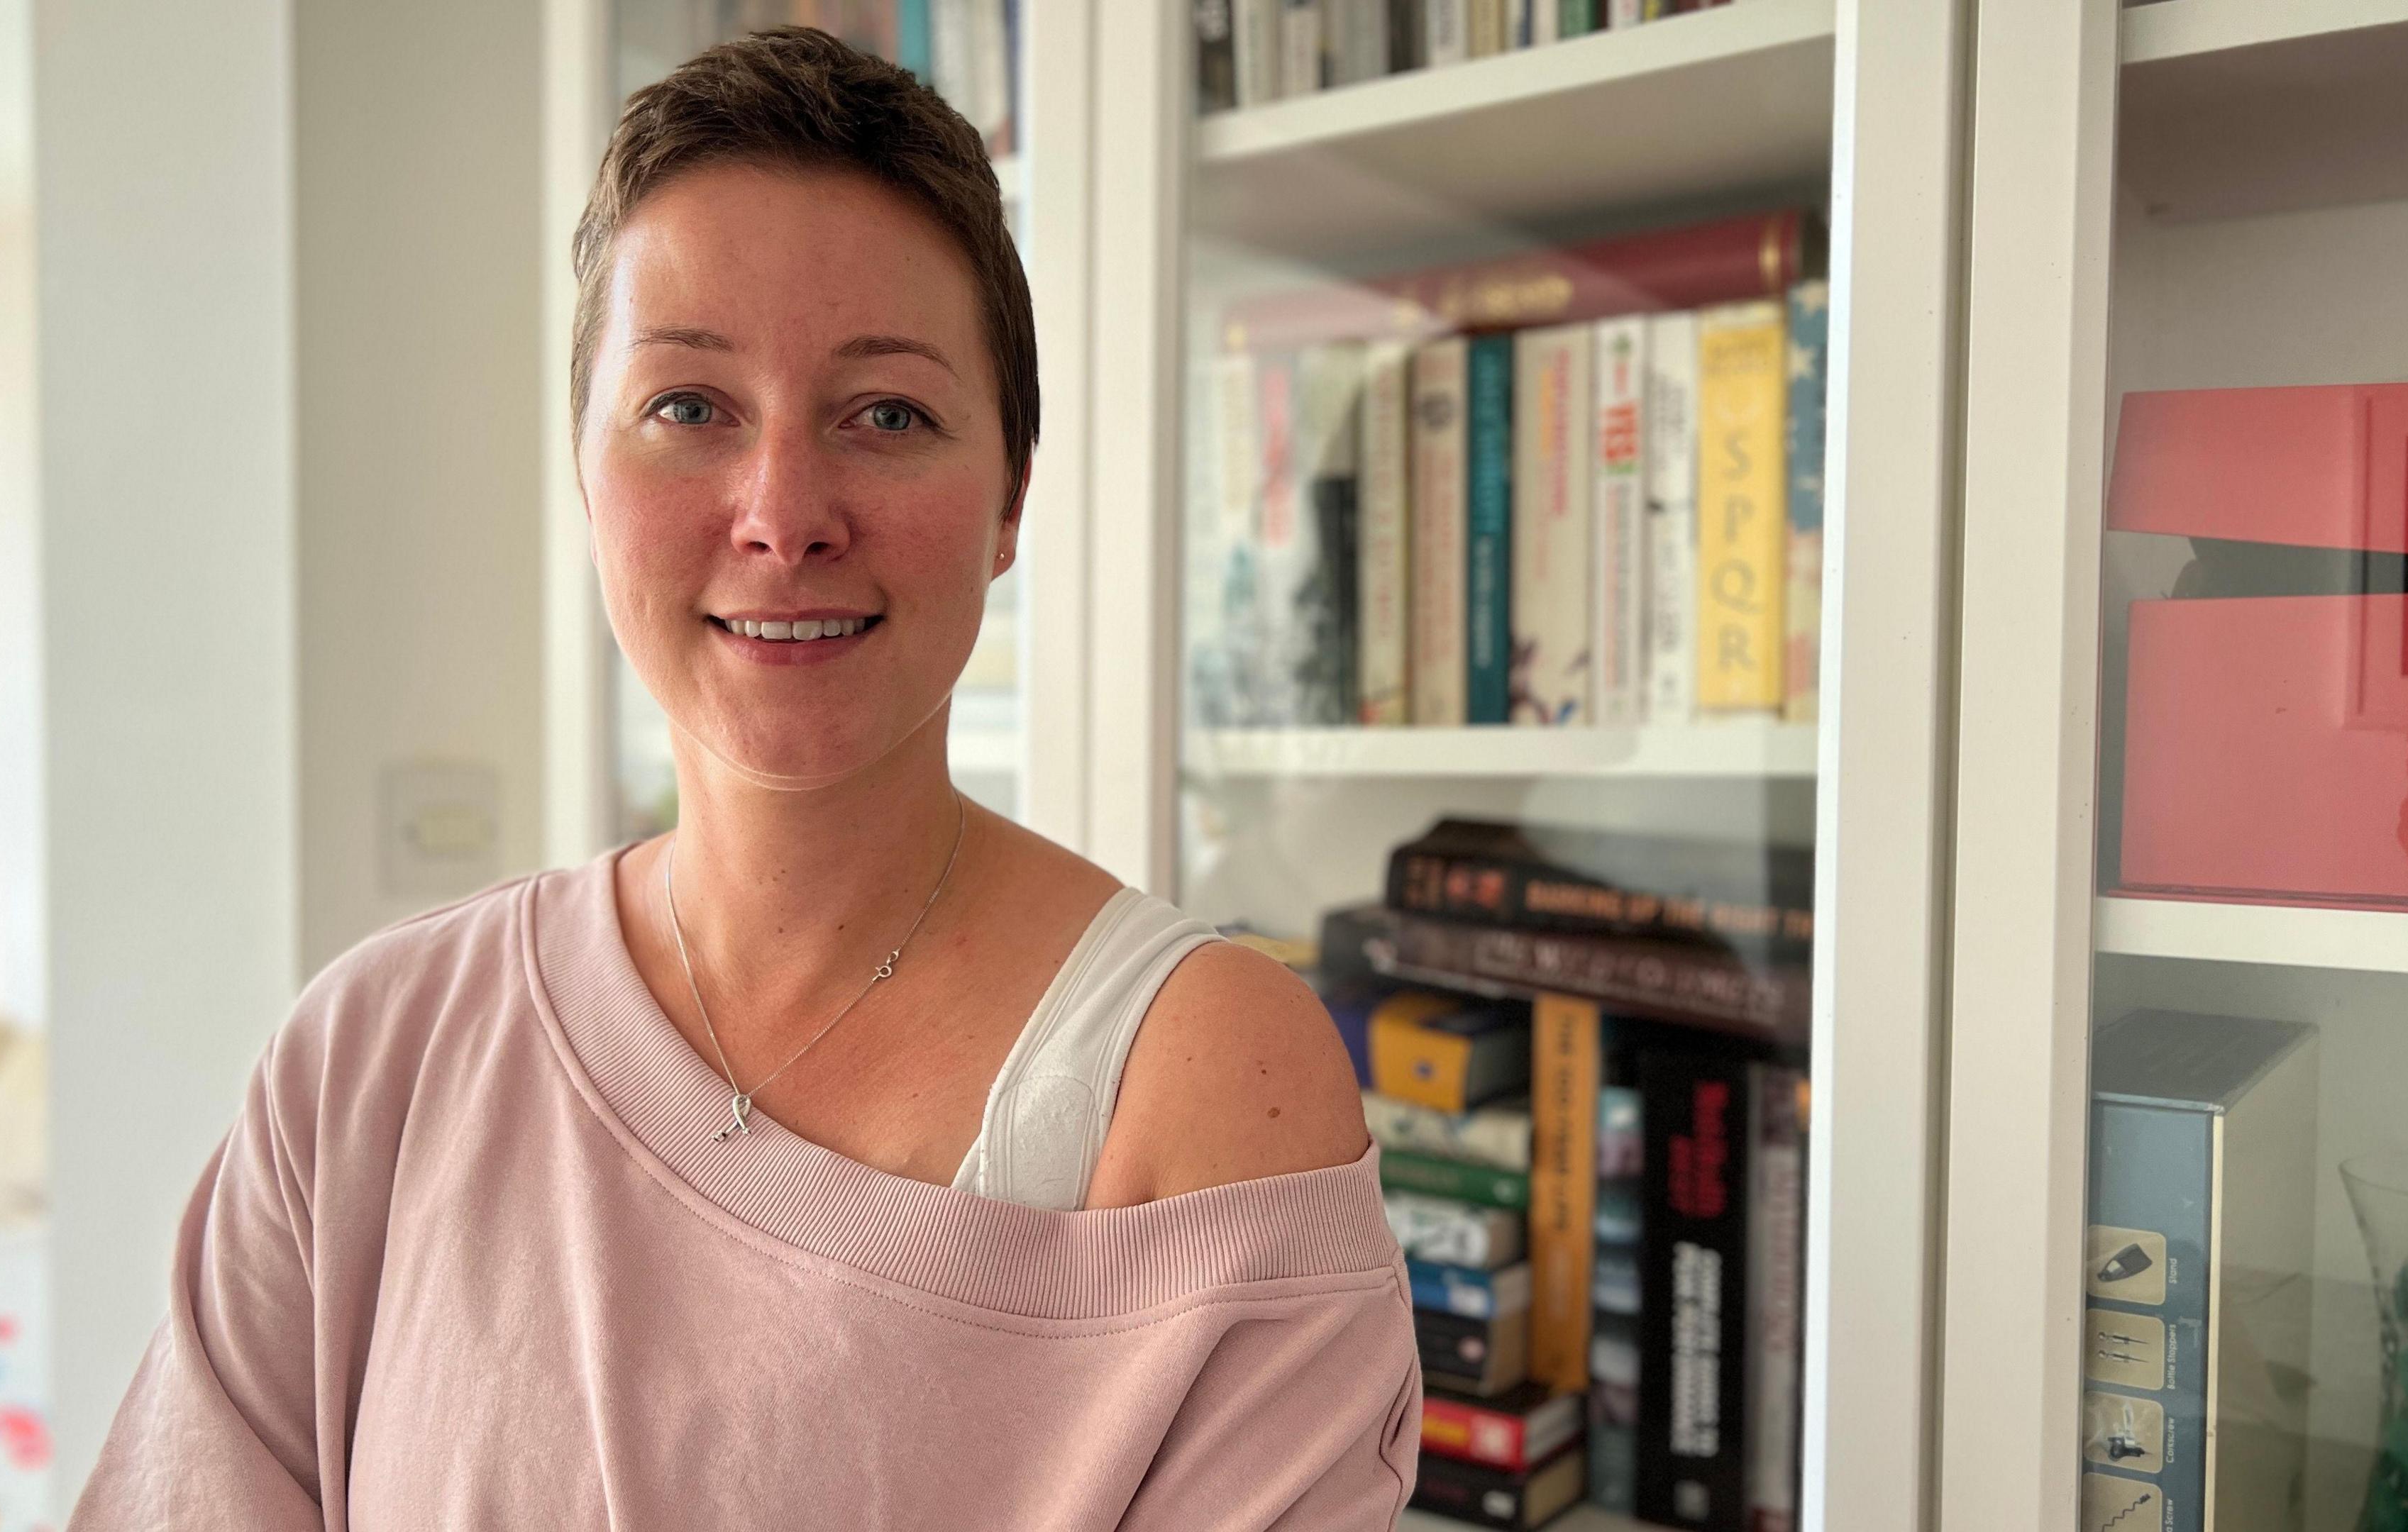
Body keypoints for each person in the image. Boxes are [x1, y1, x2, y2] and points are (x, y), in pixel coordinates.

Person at [69, 26, 1420, 1529]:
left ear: (1012, 501)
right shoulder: (371, 1062)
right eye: (688, 409)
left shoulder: (1202, 1091)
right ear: (587, 471)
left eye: (888, 414)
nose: (783, 517)